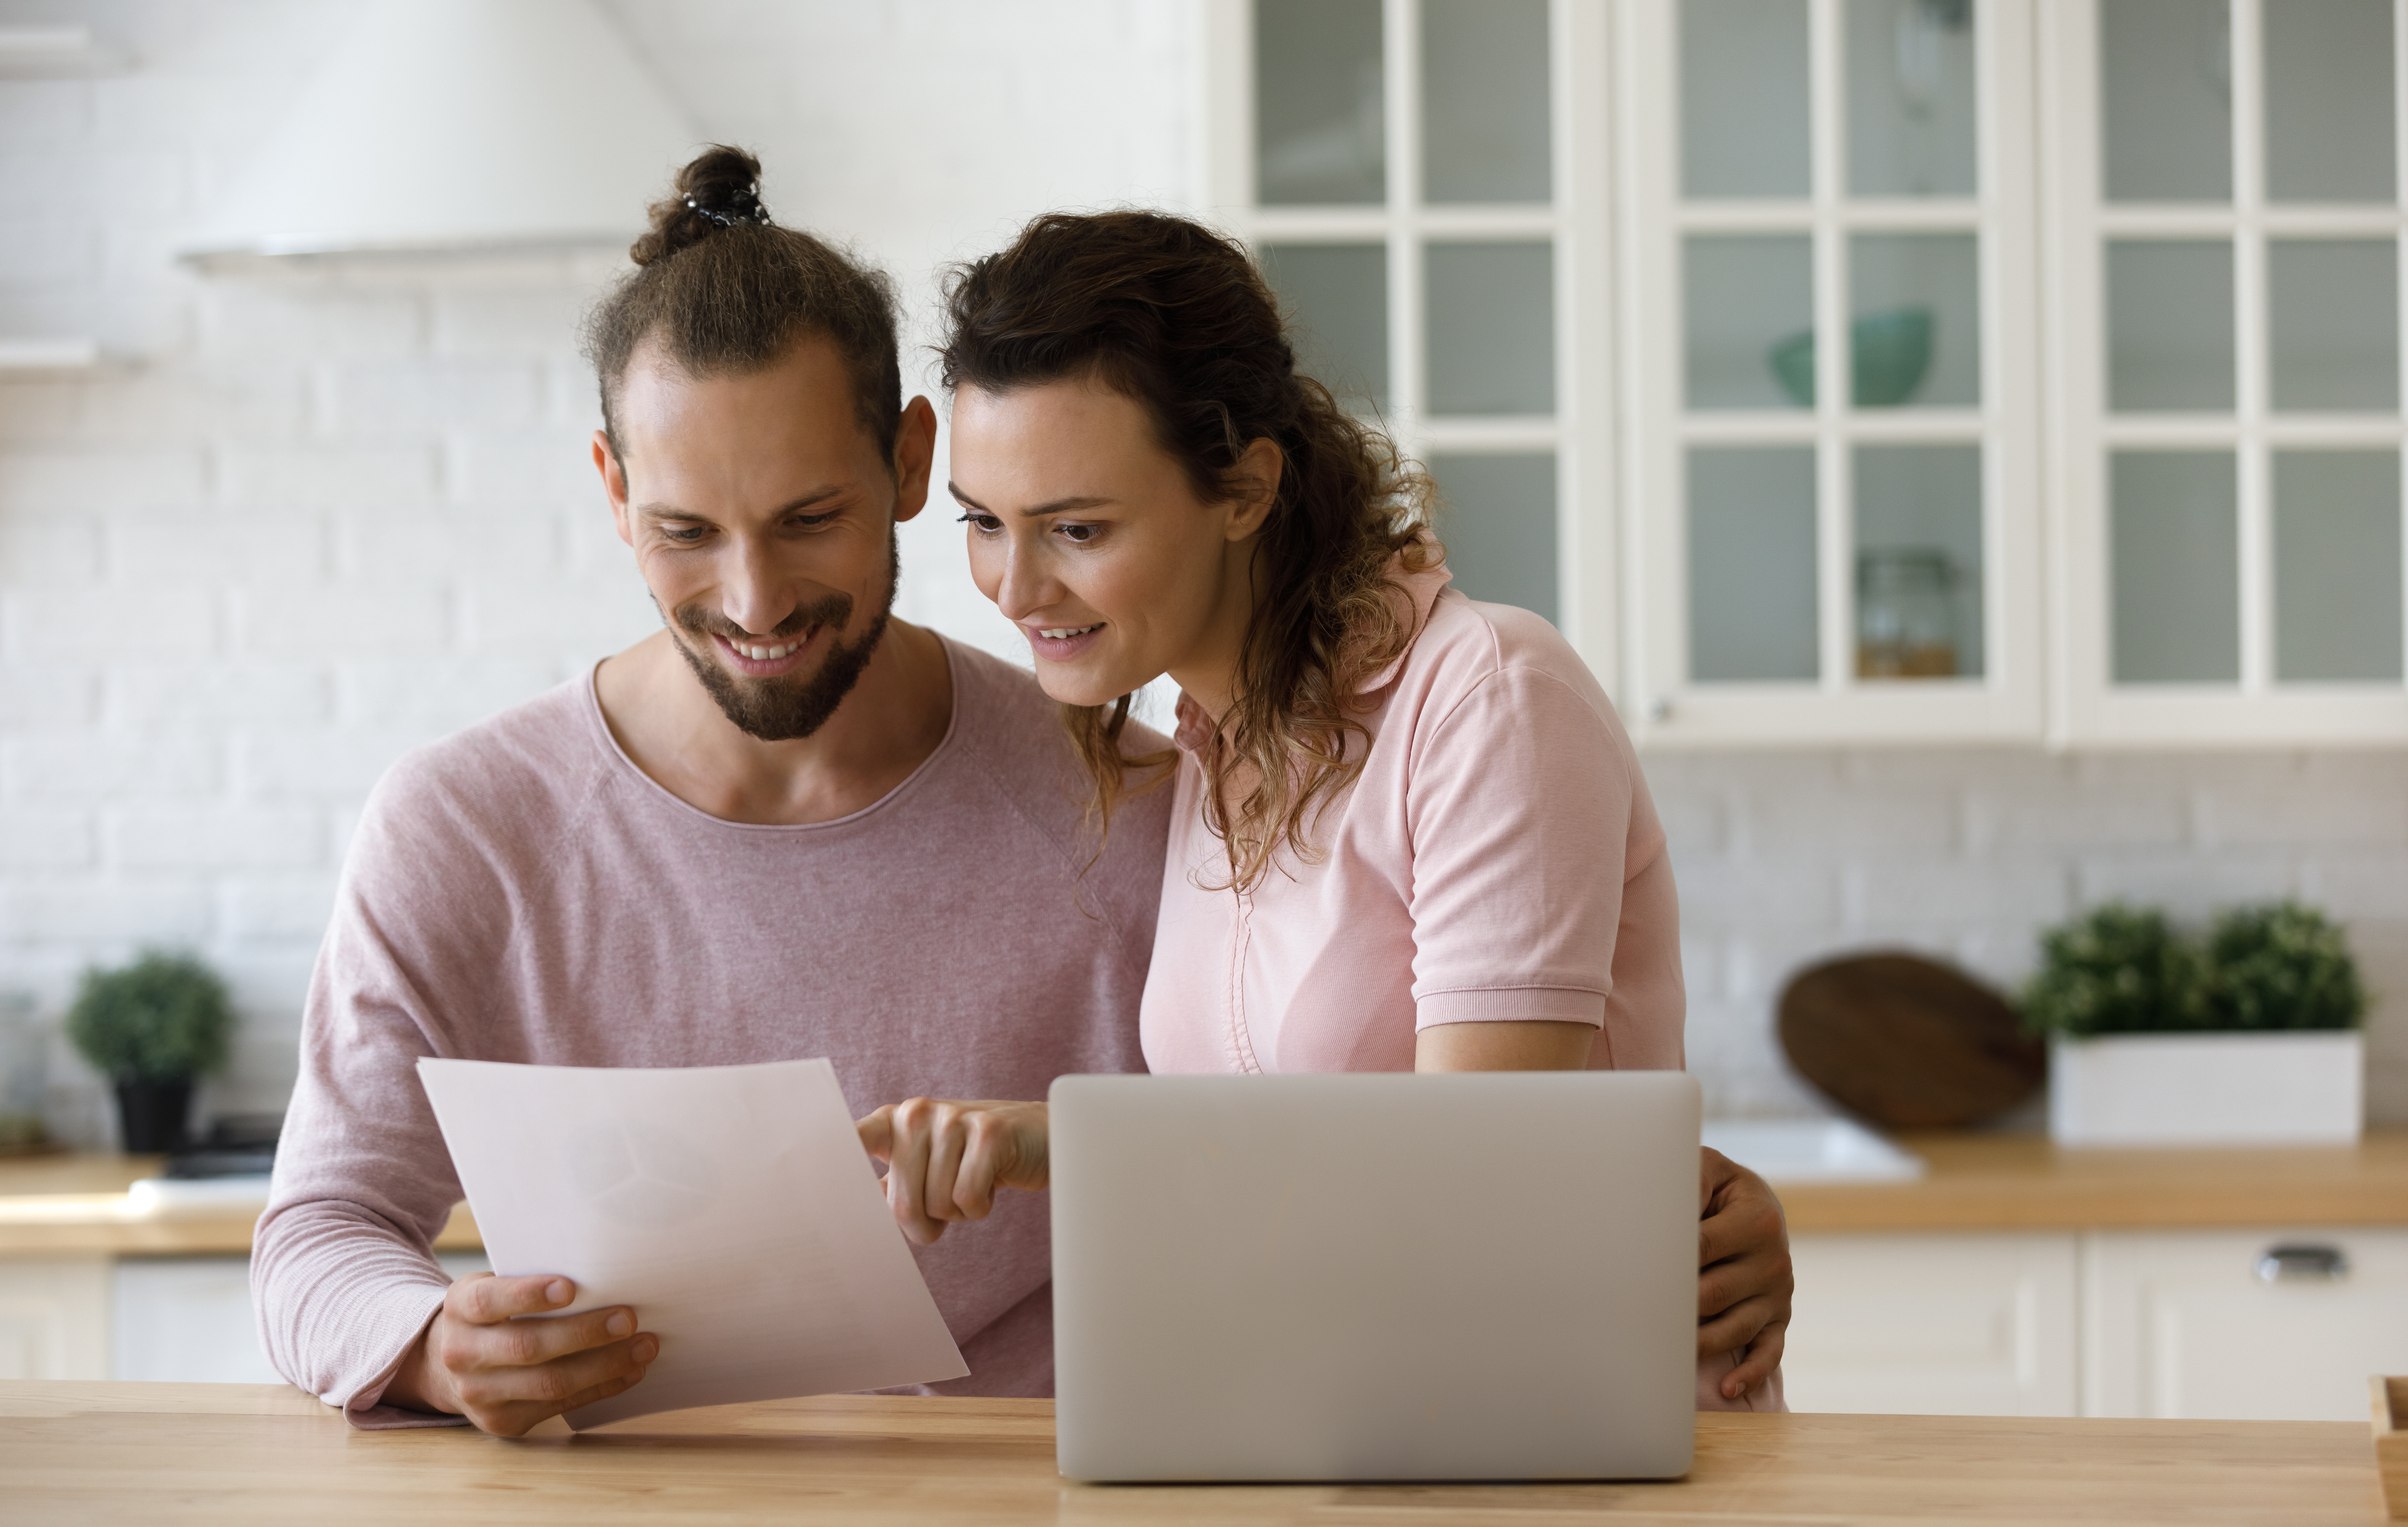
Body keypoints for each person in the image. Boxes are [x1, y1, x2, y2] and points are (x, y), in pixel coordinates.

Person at [251, 149, 1171, 1436]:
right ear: (615, 490)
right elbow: (320, 1234)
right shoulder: (466, 829)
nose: (754, 602)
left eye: (809, 519)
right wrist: (428, 1347)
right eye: (686, 532)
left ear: (912, 464)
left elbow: (1262, 1184)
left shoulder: (1125, 801)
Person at [863, 210, 1793, 1410]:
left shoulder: (1486, 699)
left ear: (1246, 487)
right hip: (1348, 1437)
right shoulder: (1203, 756)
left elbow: (1480, 1179)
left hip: (1573, 1448)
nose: (1016, 587)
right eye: (984, 523)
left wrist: (1066, 1148)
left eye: (1078, 529)